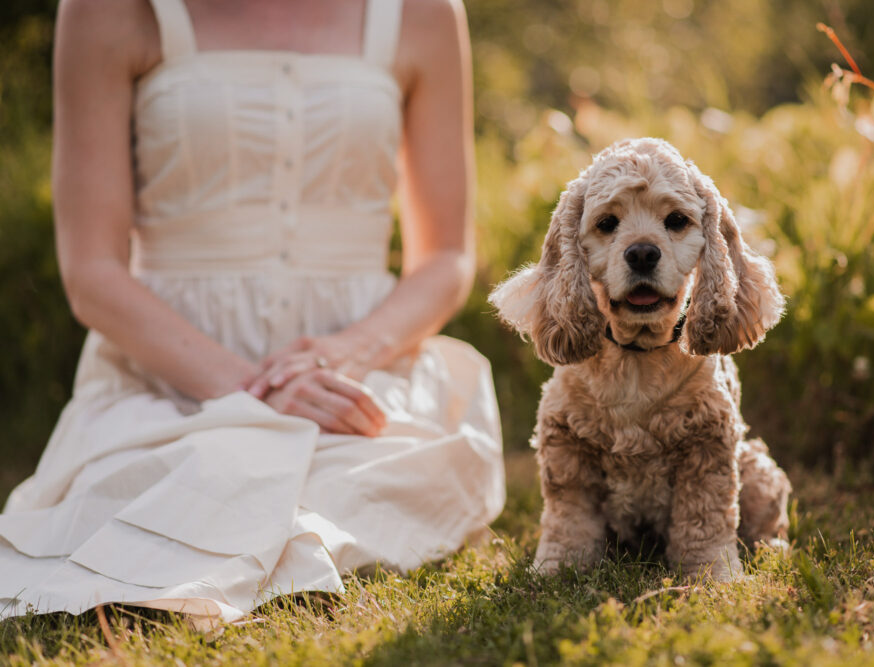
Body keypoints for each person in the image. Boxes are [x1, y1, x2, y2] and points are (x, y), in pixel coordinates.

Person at [0, 0, 505, 627]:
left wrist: (345, 355)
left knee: (363, 476)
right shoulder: (106, 12)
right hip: (171, 380)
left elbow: (447, 257)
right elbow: (92, 273)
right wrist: (252, 388)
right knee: (191, 477)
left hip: (352, 384)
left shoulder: (421, 14)